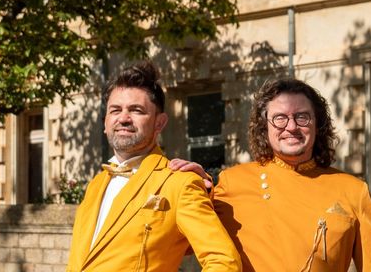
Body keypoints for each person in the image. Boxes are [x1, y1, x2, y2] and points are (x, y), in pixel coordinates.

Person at [175, 77, 371, 271]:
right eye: (280, 118)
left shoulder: (353, 190)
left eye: (302, 117)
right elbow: (181, 245)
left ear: (317, 124)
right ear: (265, 127)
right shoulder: (232, 181)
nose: (291, 126)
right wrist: (191, 190)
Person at [66, 61, 241, 272]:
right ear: (105, 122)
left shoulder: (180, 182)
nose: (123, 118)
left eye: (136, 110)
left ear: (159, 123)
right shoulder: (95, 184)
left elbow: (224, 261)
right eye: (115, 110)